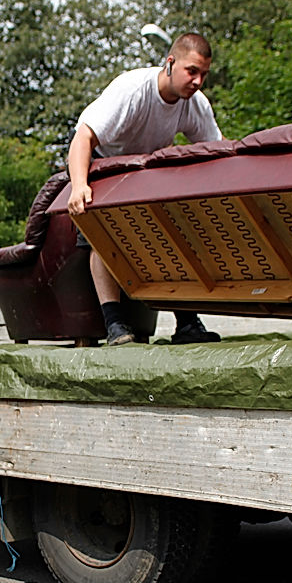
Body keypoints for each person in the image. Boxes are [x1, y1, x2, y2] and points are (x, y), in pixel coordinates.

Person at [66, 32, 225, 347]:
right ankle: (114, 325)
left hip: (144, 170)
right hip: (103, 165)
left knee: (172, 230)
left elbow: (216, 152)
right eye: (191, 71)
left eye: (203, 74)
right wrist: (80, 186)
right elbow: (82, 137)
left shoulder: (195, 103)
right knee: (103, 235)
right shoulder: (132, 90)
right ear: (169, 63)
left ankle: (188, 323)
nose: (197, 81)